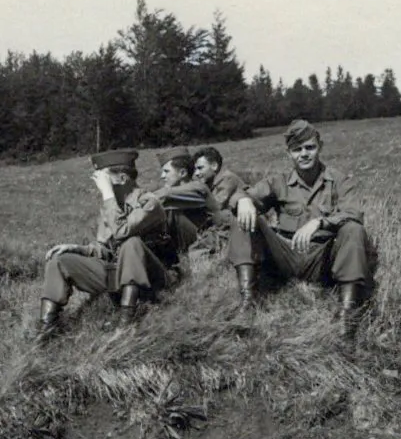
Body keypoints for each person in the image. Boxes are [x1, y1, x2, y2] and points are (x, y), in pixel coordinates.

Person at [229, 120, 372, 339]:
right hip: (286, 257)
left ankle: (347, 314)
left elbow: (354, 213)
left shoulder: (340, 181)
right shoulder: (279, 181)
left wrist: (320, 222)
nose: (304, 154)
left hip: (323, 259)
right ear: (289, 154)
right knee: (243, 216)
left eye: (309, 147)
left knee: (353, 229)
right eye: (297, 149)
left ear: (320, 147)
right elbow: (242, 194)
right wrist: (244, 201)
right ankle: (248, 301)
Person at [33, 150, 173, 341]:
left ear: (122, 178)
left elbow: (122, 232)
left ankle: (126, 324)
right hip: (120, 275)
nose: (98, 183)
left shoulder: (149, 203)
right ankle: (46, 330)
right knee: (59, 261)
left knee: (131, 244)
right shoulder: (111, 207)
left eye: (103, 177)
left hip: (153, 278)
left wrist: (108, 194)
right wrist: (76, 248)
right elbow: (103, 249)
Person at [152, 146, 216, 256]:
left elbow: (165, 195)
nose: (162, 176)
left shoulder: (198, 188)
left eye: (166, 171)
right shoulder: (178, 192)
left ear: (182, 173)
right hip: (190, 239)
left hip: (207, 240)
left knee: (170, 211)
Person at [190, 146, 248, 254]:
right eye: (195, 169)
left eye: (200, 168)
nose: (196, 173)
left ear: (214, 166)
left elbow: (216, 205)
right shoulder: (212, 182)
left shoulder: (227, 178)